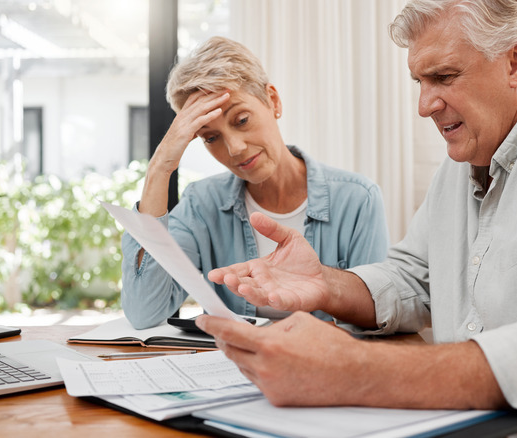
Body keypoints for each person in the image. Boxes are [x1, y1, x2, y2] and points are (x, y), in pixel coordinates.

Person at [195, 1, 517, 436]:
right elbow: (415, 278)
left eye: (444, 77)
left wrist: (361, 369)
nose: (423, 104)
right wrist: (326, 284)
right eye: (419, 80)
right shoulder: (466, 159)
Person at [121, 36, 389, 329]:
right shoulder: (202, 203)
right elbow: (143, 311)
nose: (234, 148)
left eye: (242, 120)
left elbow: (370, 321)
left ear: (273, 101)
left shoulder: (357, 199)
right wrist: (160, 167)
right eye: (211, 137)